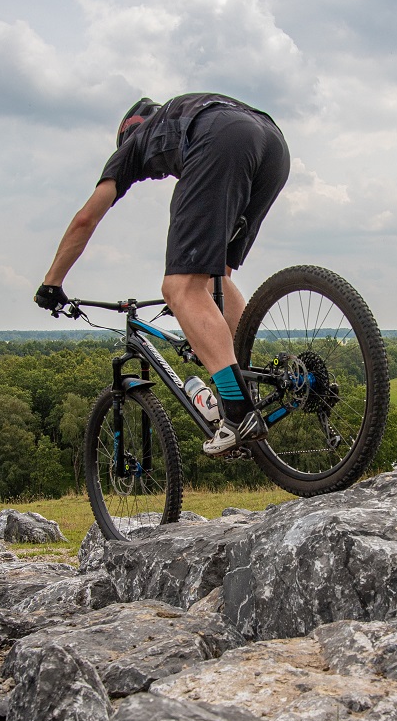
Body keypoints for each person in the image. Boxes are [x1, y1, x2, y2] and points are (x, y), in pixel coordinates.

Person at [34, 93, 291, 455]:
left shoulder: (135, 141)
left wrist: (52, 282)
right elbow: (214, 275)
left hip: (220, 139)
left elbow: (85, 218)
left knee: (178, 288)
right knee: (216, 279)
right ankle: (247, 385)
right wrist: (196, 305)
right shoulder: (179, 115)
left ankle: (237, 410)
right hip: (273, 144)